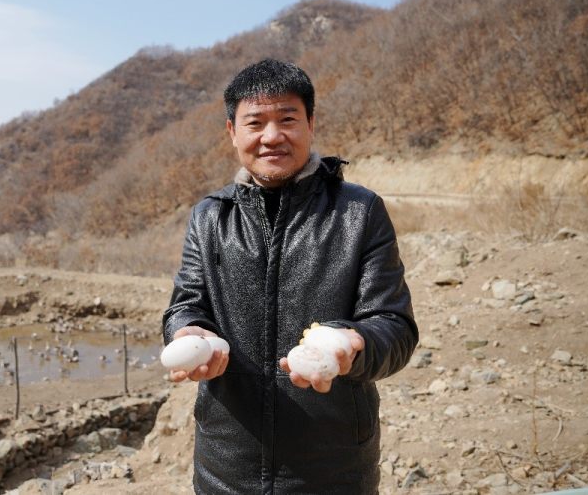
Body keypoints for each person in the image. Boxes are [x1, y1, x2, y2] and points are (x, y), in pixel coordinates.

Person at [162, 58, 418, 494]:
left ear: (310, 124)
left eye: (287, 119)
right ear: (232, 132)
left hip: (335, 471)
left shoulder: (359, 212)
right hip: (225, 469)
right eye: (255, 123)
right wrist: (187, 332)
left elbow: (394, 327)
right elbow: (185, 304)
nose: (271, 136)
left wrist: (354, 344)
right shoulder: (209, 217)